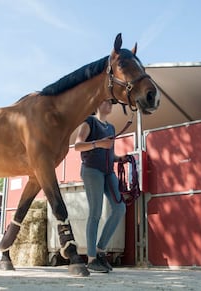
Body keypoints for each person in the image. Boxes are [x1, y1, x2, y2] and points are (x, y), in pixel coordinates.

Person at [74, 98, 126, 273]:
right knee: (95, 213)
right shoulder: (89, 122)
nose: (110, 104)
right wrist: (99, 143)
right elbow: (78, 145)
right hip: (91, 170)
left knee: (120, 208)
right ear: (96, 105)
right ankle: (91, 258)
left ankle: (100, 249)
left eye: (111, 102)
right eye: (105, 101)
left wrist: (119, 158)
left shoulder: (111, 128)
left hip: (108, 171)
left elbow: (108, 153)